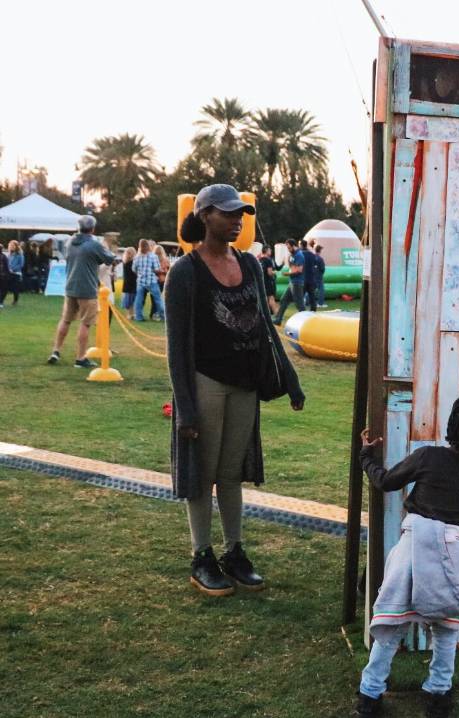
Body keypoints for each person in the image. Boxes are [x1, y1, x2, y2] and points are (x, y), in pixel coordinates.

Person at [165, 184, 305, 598]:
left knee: (230, 475)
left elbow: (265, 326)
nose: (236, 220)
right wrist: (186, 409)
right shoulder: (185, 271)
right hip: (206, 382)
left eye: (240, 214)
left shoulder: (249, 263)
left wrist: (290, 380)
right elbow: (177, 348)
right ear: (204, 215)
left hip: (245, 384)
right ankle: (202, 555)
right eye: (227, 213)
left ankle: (235, 552)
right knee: (202, 475)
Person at [355, 392, 459, 718]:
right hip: (458, 556)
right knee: (446, 632)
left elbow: (386, 481)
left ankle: (370, 695)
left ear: (454, 423)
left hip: (414, 551)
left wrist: (366, 456)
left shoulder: (427, 457)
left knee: (391, 629)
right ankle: (438, 696)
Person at [47, 216, 115, 368]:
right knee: (85, 323)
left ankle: (56, 351)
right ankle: (80, 358)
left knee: (65, 320)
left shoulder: (69, 242)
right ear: (92, 228)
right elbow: (109, 258)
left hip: (70, 286)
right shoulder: (93, 244)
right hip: (88, 289)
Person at [273, 239, 305, 324]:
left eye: (289, 248)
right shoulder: (293, 255)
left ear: (294, 246)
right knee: (284, 300)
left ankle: (306, 321)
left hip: (297, 283)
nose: (288, 249)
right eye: (287, 248)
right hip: (292, 282)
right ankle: (278, 320)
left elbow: (299, 270)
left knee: (299, 304)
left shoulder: (299, 255)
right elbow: (292, 267)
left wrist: (286, 273)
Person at [133, 240, 165, 321]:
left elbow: (133, 269)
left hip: (140, 281)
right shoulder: (153, 256)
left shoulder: (137, 257)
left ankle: (138, 317)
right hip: (152, 281)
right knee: (158, 299)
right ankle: (163, 316)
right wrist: (162, 272)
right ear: (148, 246)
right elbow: (157, 269)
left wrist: (139, 273)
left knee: (139, 300)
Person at [258, 245, 279, 314]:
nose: (271, 251)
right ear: (266, 251)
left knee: (265, 299)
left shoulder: (260, 260)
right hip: (268, 282)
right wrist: (275, 272)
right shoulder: (268, 260)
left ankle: (266, 314)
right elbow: (269, 273)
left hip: (262, 282)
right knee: (271, 298)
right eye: (270, 250)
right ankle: (277, 314)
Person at [5, 241, 24, 306]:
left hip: (16, 273)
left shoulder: (20, 254)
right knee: (5, 287)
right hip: (9, 273)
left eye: (13, 246)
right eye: (10, 246)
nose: (11, 247)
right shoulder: (9, 254)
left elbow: (21, 265)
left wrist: (13, 269)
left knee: (15, 288)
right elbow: (7, 263)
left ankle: (15, 300)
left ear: (16, 246)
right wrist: (8, 269)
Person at [120, 247, 137, 312]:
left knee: (129, 299)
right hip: (132, 282)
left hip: (128, 283)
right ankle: (131, 313)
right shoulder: (132, 262)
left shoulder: (125, 261)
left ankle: (130, 313)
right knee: (131, 299)